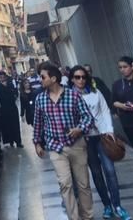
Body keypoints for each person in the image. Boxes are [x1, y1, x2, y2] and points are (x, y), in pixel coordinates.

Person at [33, 62, 94, 220]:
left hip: (77, 145)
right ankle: (74, 217)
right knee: (65, 184)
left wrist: (80, 128)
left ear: (53, 78)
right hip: (55, 147)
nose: (41, 80)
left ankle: (87, 216)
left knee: (83, 184)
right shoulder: (40, 99)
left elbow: (87, 117)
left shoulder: (73, 95)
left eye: (43, 77)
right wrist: (37, 143)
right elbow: (38, 122)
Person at [69, 66, 132, 220]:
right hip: (85, 140)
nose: (81, 80)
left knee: (110, 171)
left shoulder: (95, 92)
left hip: (102, 136)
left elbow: (104, 111)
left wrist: (109, 130)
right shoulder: (69, 97)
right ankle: (107, 206)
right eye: (77, 77)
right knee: (96, 174)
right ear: (72, 79)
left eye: (83, 77)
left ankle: (117, 205)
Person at [112, 56, 133, 184]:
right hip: (130, 124)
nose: (122, 70)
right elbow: (114, 102)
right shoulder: (117, 84)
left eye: (125, 67)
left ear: (132, 66)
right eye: (120, 67)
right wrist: (123, 106)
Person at [0, 73, 23, 148]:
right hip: (4, 108)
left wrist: (14, 95)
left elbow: (15, 93)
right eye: (0, 77)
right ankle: (11, 141)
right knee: (8, 126)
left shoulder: (10, 84)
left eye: (3, 76)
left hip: (12, 107)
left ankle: (18, 141)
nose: (2, 78)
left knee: (15, 125)